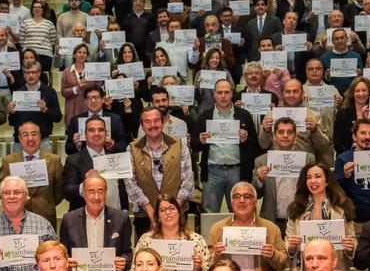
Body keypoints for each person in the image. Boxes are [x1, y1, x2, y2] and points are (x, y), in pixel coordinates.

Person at [208, 182, 289, 271]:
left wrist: (273, 254)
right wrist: (216, 254)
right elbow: (207, 265)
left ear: (255, 201)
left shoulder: (271, 228)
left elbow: (283, 263)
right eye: (237, 196)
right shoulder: (218, 228)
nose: (241, 200)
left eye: (247, 196)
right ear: (231, 201)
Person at [59, 173, 133, 271]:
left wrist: (124, 262)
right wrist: (66, 262)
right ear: (84, 194)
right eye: (91, 191)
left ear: (106, 193)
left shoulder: (121, 218)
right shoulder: (69, 219)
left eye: (100, 191)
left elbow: (128, 253)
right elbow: (62, 254)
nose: (96, 197)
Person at [134, 195, 211, 271]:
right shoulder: (146, 240)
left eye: (172, 208)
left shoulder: (195, 240)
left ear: (179, 212)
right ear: (157, 216)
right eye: (163, 210)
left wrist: (199, 267)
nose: (168, 212)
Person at [125, 107, 195, 238]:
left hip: (177, 216)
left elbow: (188, 180)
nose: (152, 125)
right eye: (147, 122)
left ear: (162, 123)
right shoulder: (132, 148)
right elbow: (130, 184)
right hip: (145, 217)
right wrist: (153, 214)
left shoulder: (180, 145)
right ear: (142, 126)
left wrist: (172, 211)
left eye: (156, 121)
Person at [192, 79, 259, 213]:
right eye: (220, 92)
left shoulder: (244, 115)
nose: (223, 96)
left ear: (232, 93)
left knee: (240, 211)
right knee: (209, 211)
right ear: (214, 94)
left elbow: (255, 145)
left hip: (237, 171)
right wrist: (200, 141)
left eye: (226, 92)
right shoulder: (205, 116)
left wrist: (245, 139)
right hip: (212, 172)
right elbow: (194, 144)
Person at [285, 162, 356, 271]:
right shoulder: (296, 208)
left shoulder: (342, 208)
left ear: (327, 181)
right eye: (309, 177)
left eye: (317, 176)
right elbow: (288, 240)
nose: (312, 181)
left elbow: (351, 238)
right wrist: (291, 246)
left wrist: (350, 247)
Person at [0, 122, 64, 228]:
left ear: (40, 137)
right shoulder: (9, 161)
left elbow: (60, 191)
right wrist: (14, 196)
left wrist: (46, 204)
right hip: (16, 217)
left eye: (34, 134)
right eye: (25, 135)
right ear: (20, 138)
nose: (30, 138)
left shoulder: (54, 160)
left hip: (45, 217)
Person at [253, 116, 314, 232]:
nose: (285, 135)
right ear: (274, 136)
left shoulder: (307, 159)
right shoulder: (261, 161)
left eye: (290, 132)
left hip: (301, 219)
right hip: (272, 220)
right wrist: (259, 180)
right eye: (281, 132)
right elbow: (257, 194)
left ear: (295, 137)